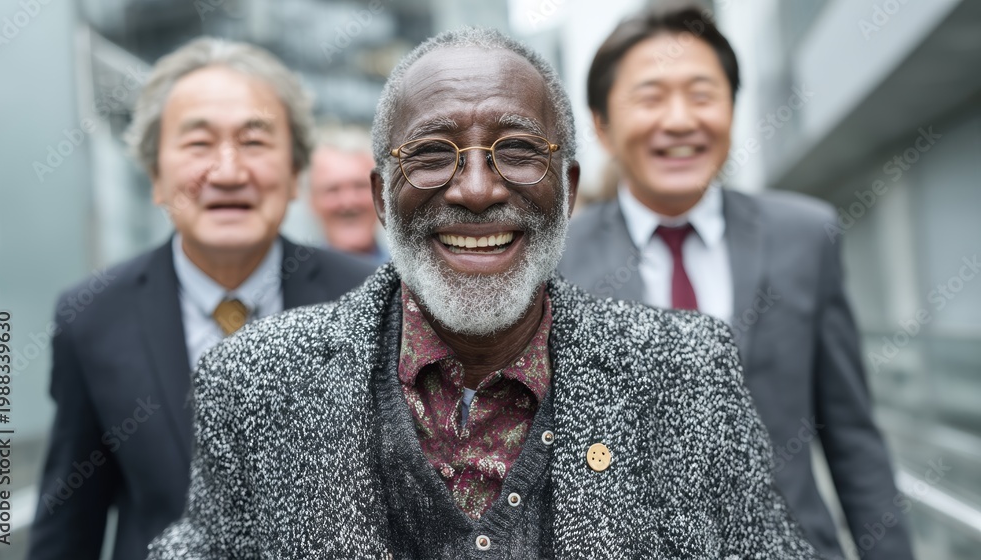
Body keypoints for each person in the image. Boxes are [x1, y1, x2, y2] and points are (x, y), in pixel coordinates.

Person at [147, 28, 820, 559]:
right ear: (382, 197)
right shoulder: (254, 381)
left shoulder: (685, 371)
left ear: (569, 189)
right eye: (433, 153)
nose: (475, 189)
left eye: (520, 151)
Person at [558, 4, 914, 560]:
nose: (679, 120)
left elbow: (852, 435)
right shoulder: (558, 264)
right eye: (650, 98)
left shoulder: (804, 236)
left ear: (731, 108)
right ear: (602, 124)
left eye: (702, 94)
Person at [28, 38, 374, 560]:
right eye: (198, 144)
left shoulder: (371, 300)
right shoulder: (93, 318)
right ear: (155, 176)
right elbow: (67, 525)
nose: (229, 172)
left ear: (296, 174)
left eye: (255, 142)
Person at [307, 140, 389, 264]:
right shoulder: (289, 280)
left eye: (360, 186)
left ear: (381, 196)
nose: (348, 202)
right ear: (312, 201)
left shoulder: (410, 277)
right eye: (333, 190)